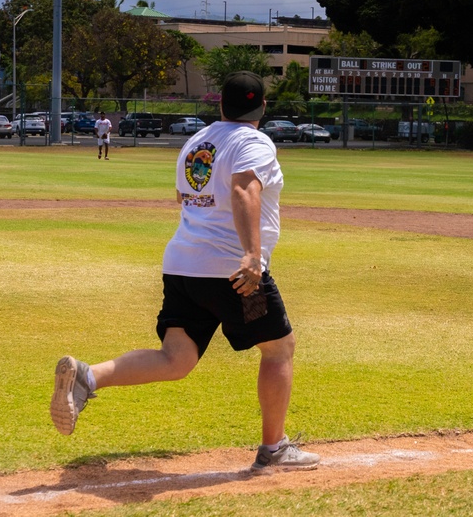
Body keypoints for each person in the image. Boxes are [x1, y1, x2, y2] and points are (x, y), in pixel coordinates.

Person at [50, 71, 319, 473]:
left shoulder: (199, 141)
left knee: (177, 358)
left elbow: (185, 193)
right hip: (230, 268)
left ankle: (89, 377)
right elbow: (244, 188)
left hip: (182, 264)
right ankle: (274, 449)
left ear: (221, 105)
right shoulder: (254, 141)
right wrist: (250, 255)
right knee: (279, 348)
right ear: (262, 107)